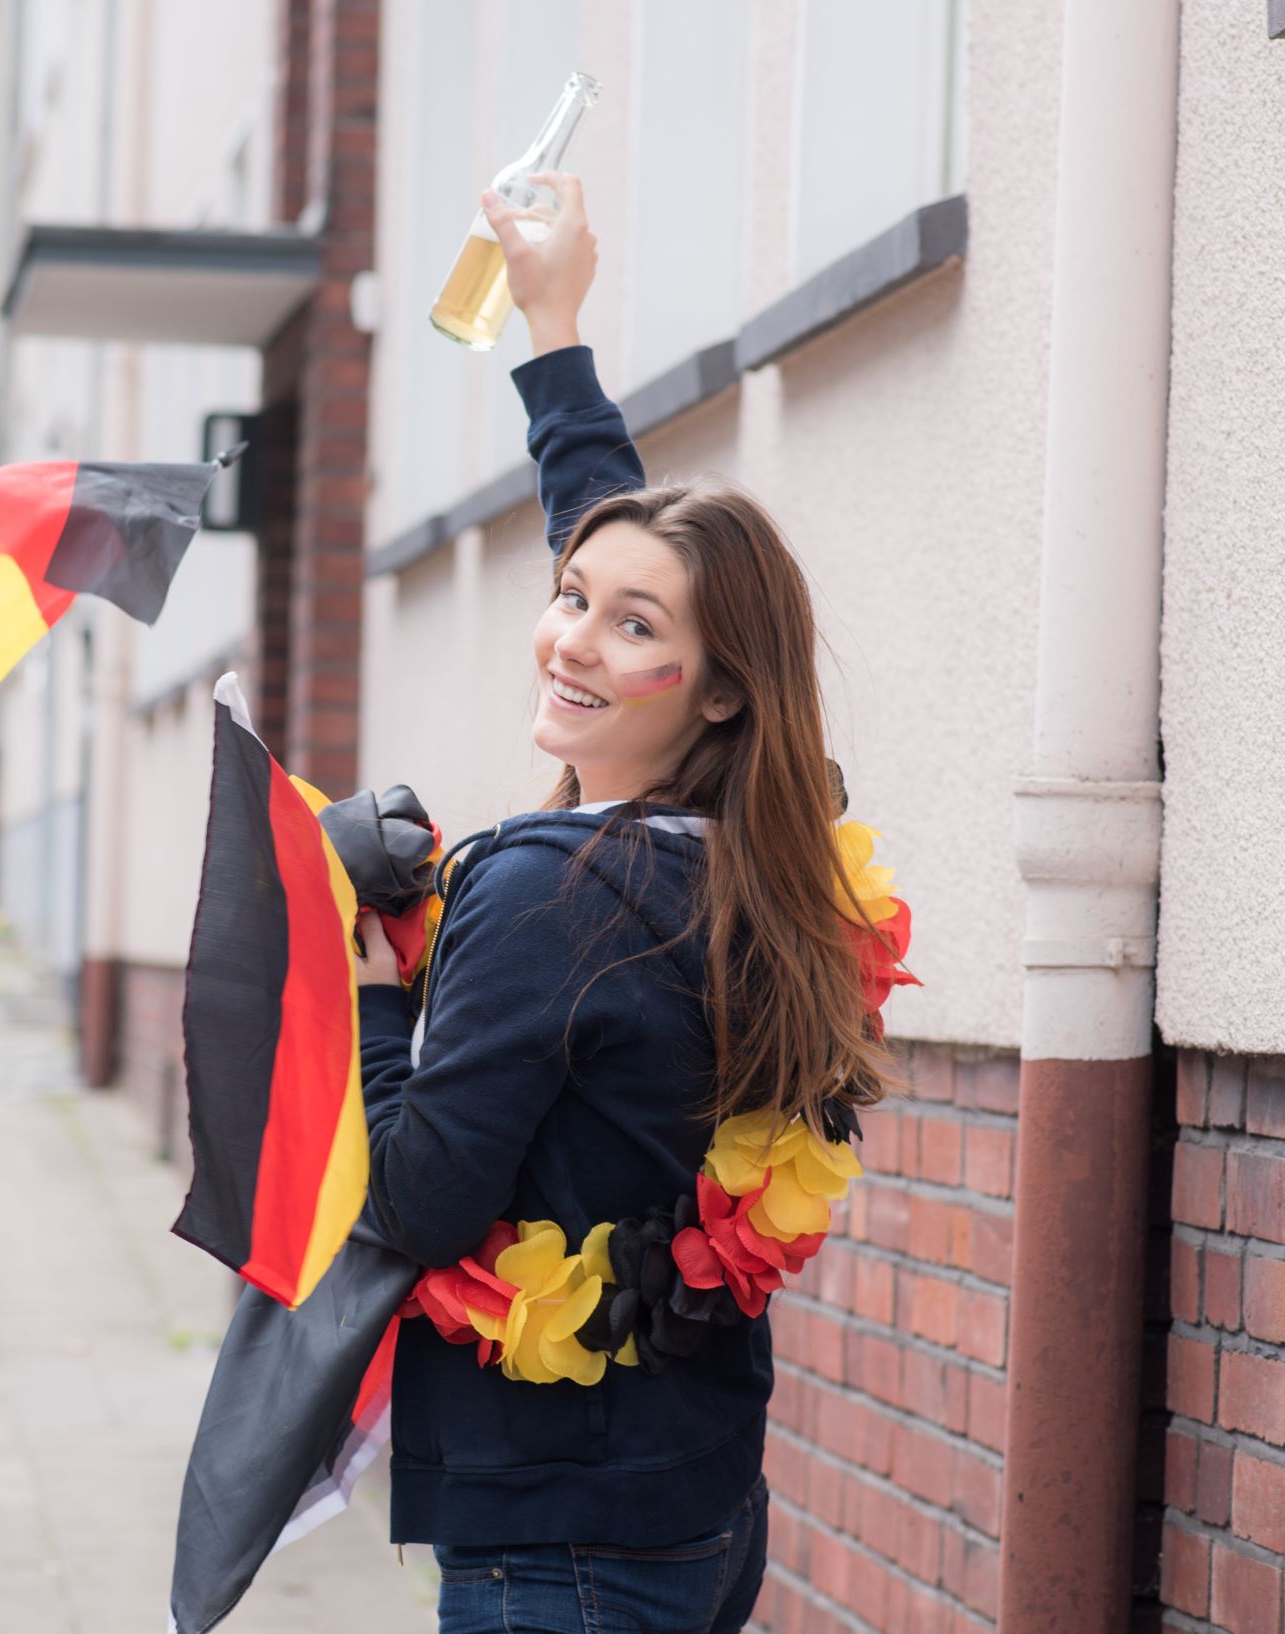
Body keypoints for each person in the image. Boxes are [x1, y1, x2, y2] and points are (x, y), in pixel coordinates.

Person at [347, 176, 906, 1634]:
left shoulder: (549, 891)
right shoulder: (764, 859)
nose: (573, 638)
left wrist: (368, 987)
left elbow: (418, 1194)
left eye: (629, 625)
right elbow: (646, 551)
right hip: (694, 1503)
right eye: (571, 594)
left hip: (561, 1540)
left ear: (716, 688)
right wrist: (553, 325)